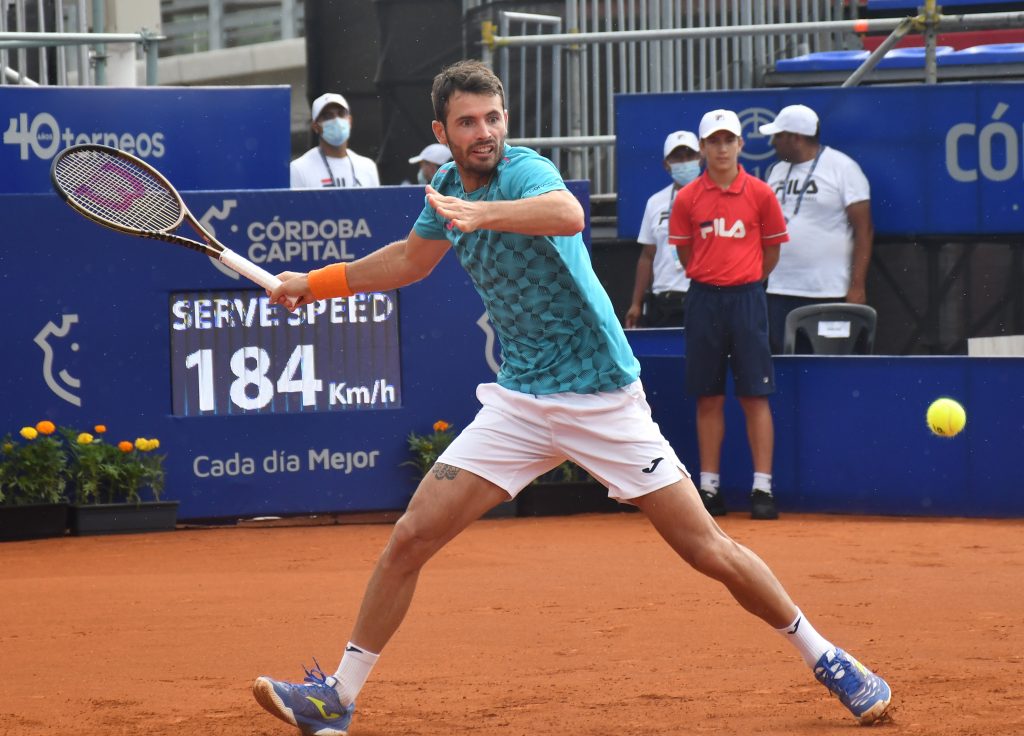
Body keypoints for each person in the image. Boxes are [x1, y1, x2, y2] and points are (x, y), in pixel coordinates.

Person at [253, 61, 892, 736]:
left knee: (705, 548)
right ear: (443, 130)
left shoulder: (523, 173)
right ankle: (336, 700)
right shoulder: (444, 186)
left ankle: (828, 657)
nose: (484, 133)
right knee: (411, 537)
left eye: (493, 118)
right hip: (521, 402)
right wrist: (313, 283)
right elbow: (409, 261)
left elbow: (567, 213)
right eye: (467, 122)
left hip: (601, 397)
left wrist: (483, 212)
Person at [668, 109, 785, 522]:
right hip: (704, 300)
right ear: (702, 148)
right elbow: (686, 255)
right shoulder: (687, 199)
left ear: (740, 144)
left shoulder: (761, 194)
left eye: (728, 140)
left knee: (755, 394)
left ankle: (762, 488)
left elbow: (771, 252)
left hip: (748, 300)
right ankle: (710, 487)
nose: (721, 148)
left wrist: (745, 278)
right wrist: (715, 277)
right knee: (709, 395)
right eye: (713, 141)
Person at [758, 104, 874, 354]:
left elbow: (864, 230)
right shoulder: (777, 171)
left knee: (828, 362)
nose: (773, 142)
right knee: (783, 363)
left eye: (778, 135)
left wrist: (857, 286)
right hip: (780, 289)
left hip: (828, 290)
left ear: (796, 138)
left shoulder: (842, 168)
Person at [624, 130, 701, 328]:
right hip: (664, 300)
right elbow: (647, 256)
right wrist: (636, 303)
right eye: (677, 157)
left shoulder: (715, 198)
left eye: (689, 156)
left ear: (700, 159)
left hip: (703, 296)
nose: (684, 162)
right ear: (666, 164)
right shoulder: (655, 202)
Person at [290, 92, 381, 189]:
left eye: (341, 114)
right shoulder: (299, 168)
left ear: (349, 121)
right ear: (315, 126)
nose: (336, 120)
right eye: (328, 116)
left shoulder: (367, 167)